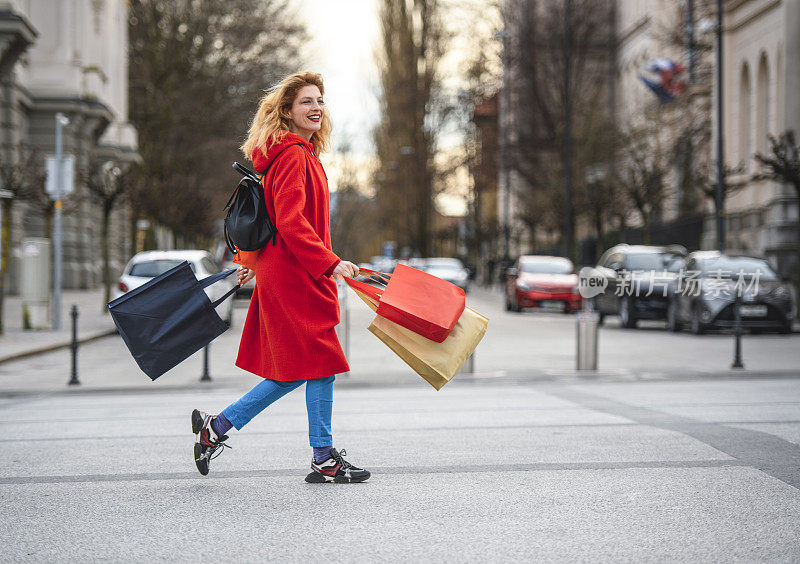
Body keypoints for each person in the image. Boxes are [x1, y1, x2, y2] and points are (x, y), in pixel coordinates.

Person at [191, 71, 370, 484]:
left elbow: (280, 221)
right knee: (315, 364)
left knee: (303, 367)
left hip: (296, 273)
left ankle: (218, 428)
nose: (316, 107)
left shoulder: (300, 155)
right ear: (286, 112)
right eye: (306, 101)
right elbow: (290, 223)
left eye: (320, 100)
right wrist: (330, 261)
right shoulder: (291, 156)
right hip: (296, 277)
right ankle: (322, 459)